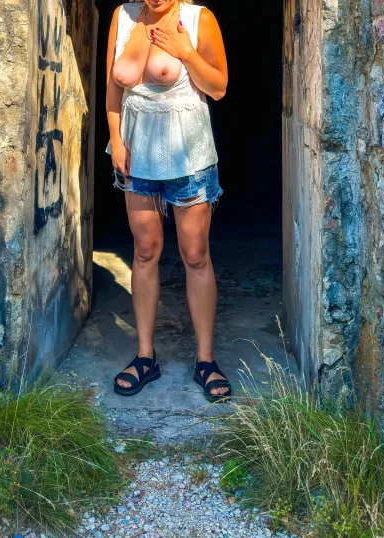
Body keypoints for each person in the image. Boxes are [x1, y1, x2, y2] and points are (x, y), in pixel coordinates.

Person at [106, 0, 230, 402]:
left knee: (195, 255)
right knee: (144, 252)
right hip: (137, 154)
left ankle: (206, 361)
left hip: (188, 158)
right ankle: (145, 357)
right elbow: (113, 88)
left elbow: (218, 87)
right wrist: (117, 140)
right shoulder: (124, 16)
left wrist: (186, 52)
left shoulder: (198, 19)